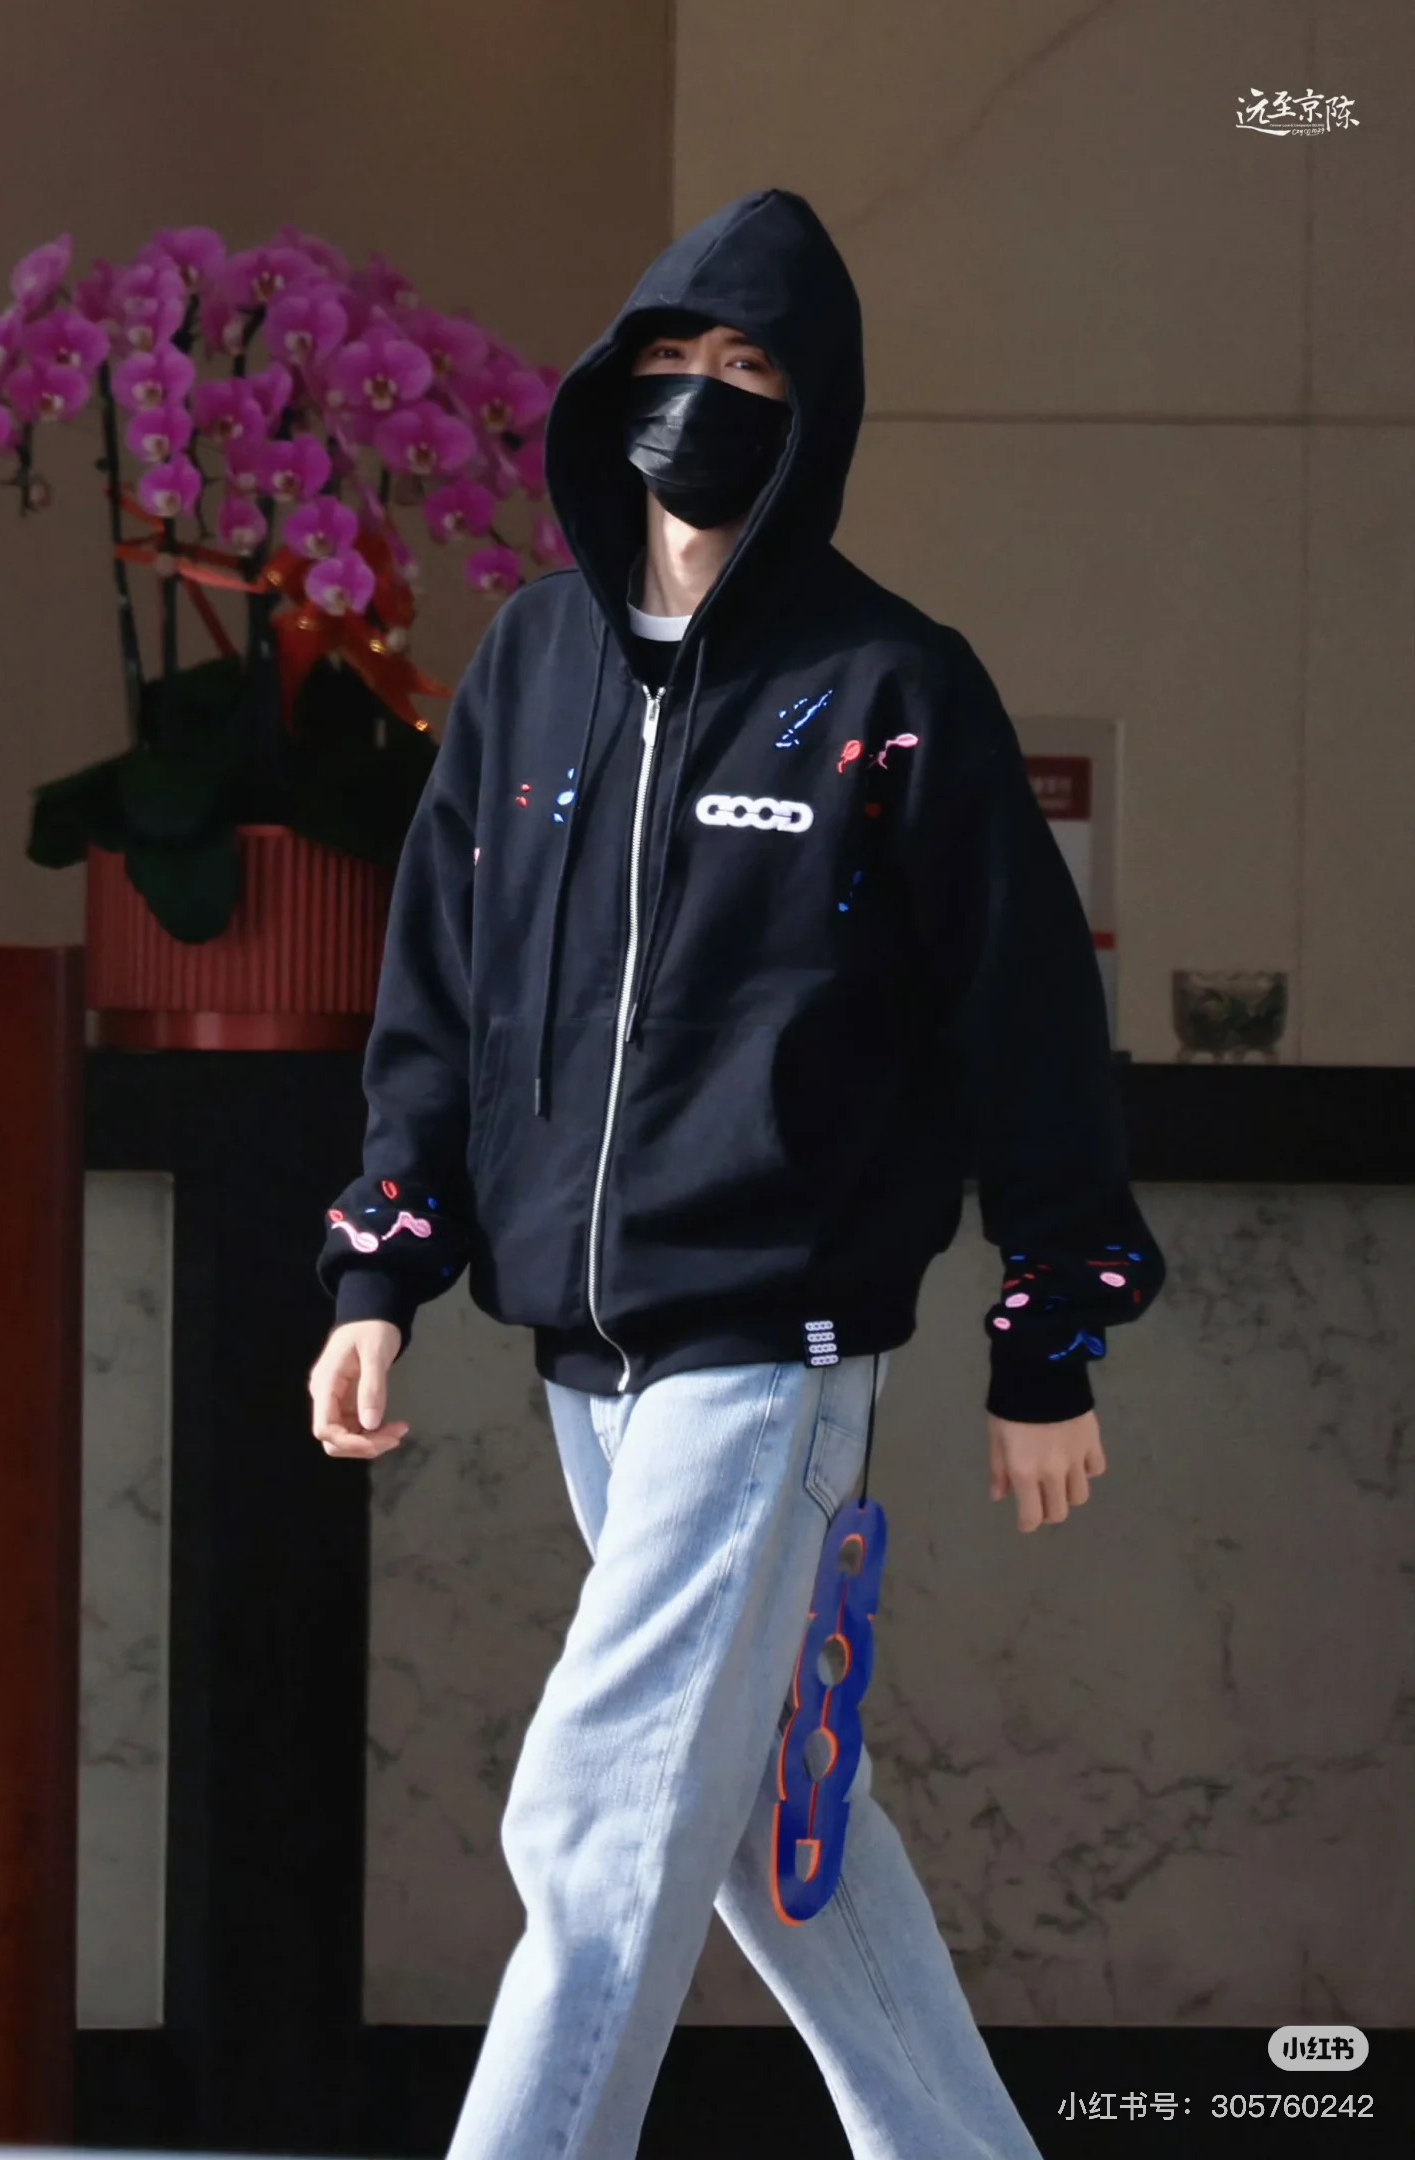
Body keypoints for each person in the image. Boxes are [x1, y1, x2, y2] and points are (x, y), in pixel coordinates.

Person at [309, 187, 1165, 2159]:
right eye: (675, 357)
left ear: (816, 410)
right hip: (584, 1362)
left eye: (753, 364)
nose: (703, 393)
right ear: (615, 389)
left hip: (773, 1353)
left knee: (604, 1811)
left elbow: (1028, 1024)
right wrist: (380, 1273)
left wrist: (1049, 1336)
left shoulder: (889, 688)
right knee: (784, 1827)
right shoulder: (530, 666)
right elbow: (437, 994)